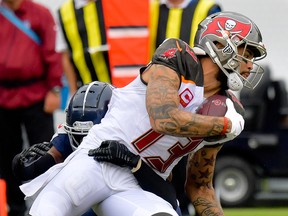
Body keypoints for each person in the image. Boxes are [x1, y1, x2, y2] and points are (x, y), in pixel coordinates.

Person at [20, 11, 267, 216]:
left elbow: (200, 186)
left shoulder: (223, 108)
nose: (249, 65)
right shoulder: (179, 56)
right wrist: (223, 127)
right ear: (220, 44)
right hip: (94, 163)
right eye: (246, 53)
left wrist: (222, 125)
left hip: (137, 184)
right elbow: (163, 119)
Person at [149, 0, 222, 212]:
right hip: (154, 103)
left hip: (192, 105)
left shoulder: (206, 9)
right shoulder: (150, 9)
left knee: (192, 184)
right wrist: (225, 125)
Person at [12, 81, 114, 216]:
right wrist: (23, 167)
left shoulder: (127, 132)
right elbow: (53, 156)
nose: (86, 142)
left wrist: (134, 163)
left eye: (91, 136)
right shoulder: (67, 135)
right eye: (80, 136)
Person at [0, 0, 62, 215]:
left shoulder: (41, 14)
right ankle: (15, 208)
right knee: (7, 155)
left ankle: (48, 206)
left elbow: (53, 53)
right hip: (3, 97)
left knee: (46, 152)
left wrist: (55, 90)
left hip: (36, 95)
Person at [56, 0, 111, 95]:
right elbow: (65, 56)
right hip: (87, 93)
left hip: (123, 89)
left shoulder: (117, 5)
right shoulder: (64, 12)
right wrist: (73, 93)